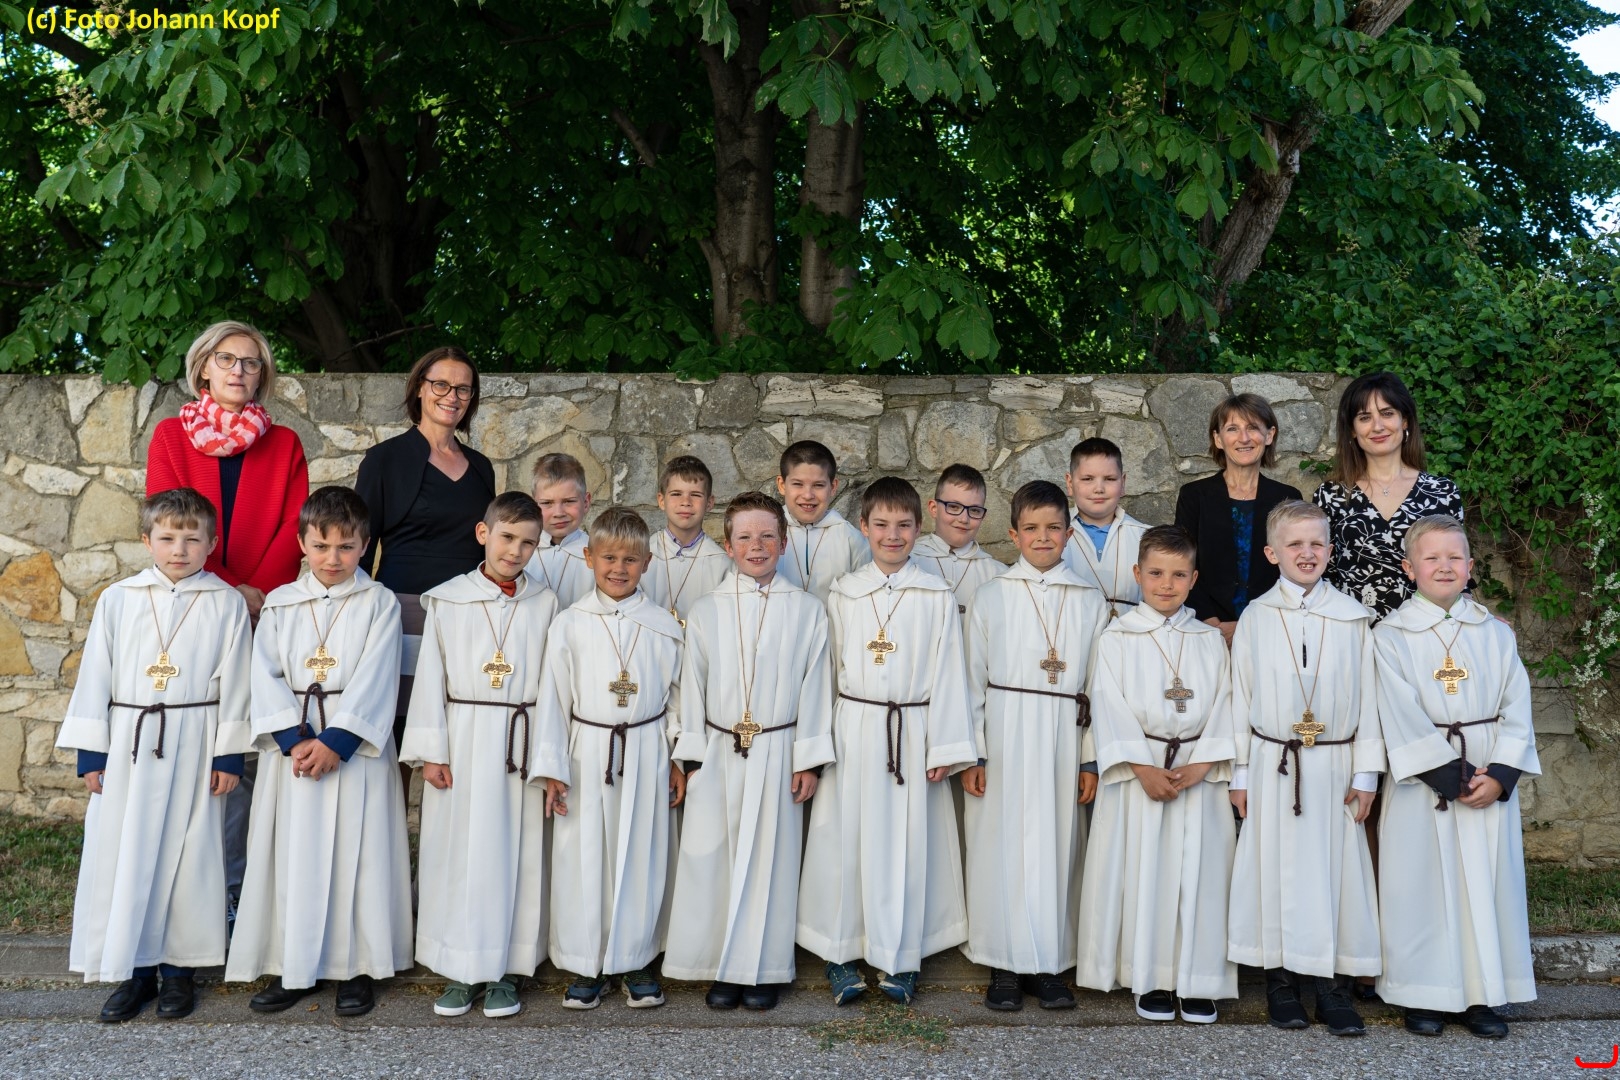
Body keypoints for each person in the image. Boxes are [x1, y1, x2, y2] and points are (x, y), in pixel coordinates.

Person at [56, 488, 250, 1022]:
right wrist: (92, 753)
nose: (179, 549)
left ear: (212, 544)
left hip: (195, 739)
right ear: (147, 541)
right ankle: (134, 972)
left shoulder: (226, 603)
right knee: (127, 850)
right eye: (167, 538)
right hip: (131, 742)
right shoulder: (119, 598)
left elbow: (238, 683)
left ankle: (180, 973)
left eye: (192, 539)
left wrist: (228, 756)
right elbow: (96, 674)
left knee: (190, 854)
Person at [145, 320, 308, 927]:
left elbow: (294, 523)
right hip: (194, 607)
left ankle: (241, 890)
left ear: (263, 376)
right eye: (227, 359)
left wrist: (255, 591)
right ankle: (183, 886)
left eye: (251, 362)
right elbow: (170, 519)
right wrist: (225, 587)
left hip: (263, 609)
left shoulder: (283, 443)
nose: (239, 370)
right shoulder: (171, 436)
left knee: (244, 749)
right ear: (203, 369)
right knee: (196, 743)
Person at [226, 487, 412, 1018]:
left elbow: (378, 674)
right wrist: (295, 739)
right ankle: (294, 965)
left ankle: (357, 968)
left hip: (354, 753)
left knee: (361, 857)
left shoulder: (378, 602)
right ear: (302, 543)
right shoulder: (281, 602)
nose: (333, 558)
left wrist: (338, 742)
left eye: (346, 547)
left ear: (365, 545)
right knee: (293, 857)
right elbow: (263, 673)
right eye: (322, 546)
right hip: (295, 754)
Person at [798, 478, 978, 1007]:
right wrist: (818, 749)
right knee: (845, 840)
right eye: (881, 525)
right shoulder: (844, 594)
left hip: (913, 732)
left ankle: (900, 957)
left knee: (906, 845)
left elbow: (950, 672)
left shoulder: (935, 594)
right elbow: (825, 673)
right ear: (864, 527)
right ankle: (840, 953)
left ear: (919, 528)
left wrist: (945, 747)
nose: (892, 535)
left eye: (903, 525)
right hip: (854, 727)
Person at [662, 492, 834, 1011]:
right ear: (728, 544)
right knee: (712, 857)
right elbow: (691, 685)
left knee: (769, 863)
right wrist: (690, 758)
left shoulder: (807, 610)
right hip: (719, 748)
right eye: (744, 537)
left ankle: (762, 969)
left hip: (779, 749)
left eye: (766, 536)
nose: (756, 546)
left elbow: (816, 686)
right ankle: (719, 966)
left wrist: (808, 759)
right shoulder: (706, 609)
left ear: (783, 543)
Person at [1373, 516, 1539, 1038]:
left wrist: (1501, 775)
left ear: (1470, 567)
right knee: (1420, 886)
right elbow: (1395, 712)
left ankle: (1482, 994)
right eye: (1431, 557)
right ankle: (1423, 994)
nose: (1443, 566)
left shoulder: (1495, 633)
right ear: (1409, 568)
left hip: (1488, 772)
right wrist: (1454, 777)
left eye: (1454, 557)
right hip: (1427, 786)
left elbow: (1517, 705)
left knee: (1487, 886)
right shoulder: (1390, 636)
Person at [401, 492, 560, 1019]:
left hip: (520, 742)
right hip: (463, 739)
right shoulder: (448, 600)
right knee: (458, 855)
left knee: (515, 856)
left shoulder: (547, 603)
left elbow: (555, 686)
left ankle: (507, 971)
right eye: (507, 537)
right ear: (483, 534)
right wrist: (432, 751)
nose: (515, 551)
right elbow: (430, 676)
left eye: (528, 543)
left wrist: (548, 759)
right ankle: (459, 968)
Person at [1227, 501, 1383, 1036]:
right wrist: (1240, 774)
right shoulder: (1256, 617)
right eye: (1294, 544)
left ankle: (1332, 988)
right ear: (1272, 553)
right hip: (1273, 763)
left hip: (1336, 764)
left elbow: (1370, 700)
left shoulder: (1352, 618)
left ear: (1331, 550)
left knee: (1333, 873)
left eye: (1317, 543)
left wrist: (1366, 775)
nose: (1307, 553)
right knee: (1276, 870)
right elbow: (1239, 696)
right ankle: (1281, 982)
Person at [1075, 525, 1237, 1024]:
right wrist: (1142, 768)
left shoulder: (1209, 639)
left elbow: (1229, 702)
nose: (1167, 584)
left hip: (1197, 774)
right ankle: (1151, 977)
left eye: (1178, 575)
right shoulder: (1117, 638)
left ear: (1194, 579)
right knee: (1145, 876)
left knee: (1201, 878)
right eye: (1156, 574)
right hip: (1140, 775)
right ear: (1137, 574)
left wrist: (1204, 763)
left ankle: (1199, 981)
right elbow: (1106, 702)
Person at [962, 481, 1108, 1011]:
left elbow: (1099, 686)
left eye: (1052, 528)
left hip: (1063, 736)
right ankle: (1002, 963)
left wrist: (1090, 758)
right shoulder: (991, 595)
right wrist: (974, 753)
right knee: (999, 845)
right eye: (1031, 528)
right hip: (1003, 735)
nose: (1042, 537)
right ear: (1013, 534)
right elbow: (970, 681)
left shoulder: (1089, 600)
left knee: (1057, 846)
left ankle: (1049, 964)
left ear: (1069, 534)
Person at [534, 507, 685, 1009]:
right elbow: (553, 700)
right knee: (583, 855)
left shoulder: (663, 626)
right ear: (589, 557)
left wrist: (679, 759)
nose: (619, 568)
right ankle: (586, 962)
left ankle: (636, 959)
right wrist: (552, 769)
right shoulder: (569, 624)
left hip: (646, 749)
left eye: (630, 559)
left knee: (641, 853)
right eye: (609, 558)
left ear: (647, 563)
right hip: (587, 751)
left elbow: (680, 698)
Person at [354, 345, 496, 761]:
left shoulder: (482, 467)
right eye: (441, 385)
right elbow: (361, 547)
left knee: (459, 730)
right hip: (404, 614)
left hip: (468, 616)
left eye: (463, 389)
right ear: (419, 387)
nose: (452, 396)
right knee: (399, 734)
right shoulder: (383, 460)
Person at [1312, 372, 1465, 621]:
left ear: (1405, 420)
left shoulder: (1442, 493)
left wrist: (1480, 623)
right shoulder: (1331, 496)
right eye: (1365, 417)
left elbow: (1457, 571)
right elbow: (1321, 577)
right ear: (1352, 430)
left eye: (1387, 413)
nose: (1377, 426)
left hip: (1425, 631)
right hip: (1353, 632)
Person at [1174, 394, 1302, 646]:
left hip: (1272, 629)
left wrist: (1252, 625)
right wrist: (1211, 623)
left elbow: (1292, 568)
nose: (1244, 438)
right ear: (1218, 439)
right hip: (1205, 629)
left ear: (1269, 435)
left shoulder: (1287, 498)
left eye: (1253, 427)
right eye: (1233, 429)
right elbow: (1182, 563)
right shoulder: (1194, 496)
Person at [1062, 437, 1151, 620]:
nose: (1099, 489)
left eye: (1109, 479)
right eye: (1087, 479)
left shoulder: (1147, 537)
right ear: (1070, 483)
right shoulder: (1052, 535)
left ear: (1123, 482)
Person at [774, 440, 871, 601]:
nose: (808, 495)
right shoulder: (767, 533)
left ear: (833, 487)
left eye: (818, 485)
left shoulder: (852, 540)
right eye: (798, 484)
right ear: (782, 485)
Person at [642, 455, 730, 625]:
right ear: (661, 500)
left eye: (695, 495)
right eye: (676, 494)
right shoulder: (643, 554)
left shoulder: (723, 564)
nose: (685, 502)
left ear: (709, 503)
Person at [912, 463, 1006, 620]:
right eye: (954, 507)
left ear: (983, 516)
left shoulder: (998, 575)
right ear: (934, 508)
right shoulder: (909, 561)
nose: (964, 519)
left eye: (974, 510)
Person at [526, 453, 595, 609]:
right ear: (534, 505)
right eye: (547, 503)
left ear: (585, 502)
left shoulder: (597, 555)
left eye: (569, 501)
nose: (558, 513)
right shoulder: (522, 552)